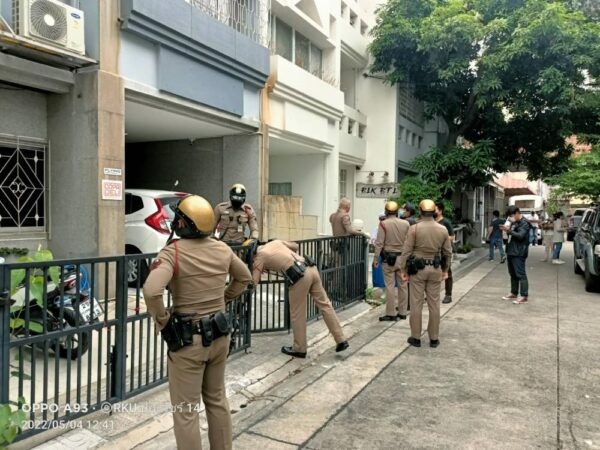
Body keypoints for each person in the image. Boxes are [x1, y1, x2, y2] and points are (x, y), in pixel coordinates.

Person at [143, 195, 252, 450]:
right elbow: (244, 277)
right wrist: (224, 298)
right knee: (217, 400)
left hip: (188, 342)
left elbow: (151, 291)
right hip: (220, 335)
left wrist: (163, 322)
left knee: (186, 411)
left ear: (182, 224)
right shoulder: (222, 249)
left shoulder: (173, 252)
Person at [252, 239, 349, 358]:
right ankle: (341, 339)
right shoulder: (275, 242)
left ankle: (299, 348)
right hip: (311, 268)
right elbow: (295, 246)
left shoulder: (260, 256)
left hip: (299, 275)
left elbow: (254, 282)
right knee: (325, 305)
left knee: (297, 313)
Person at [399, 199, 452, 348]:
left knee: (416, 303)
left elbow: (406, 251)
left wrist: (403, 269)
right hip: (435, 269)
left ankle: (416, 337)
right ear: (434, 211)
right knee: (434, 304)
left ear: (421, 211)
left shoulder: (414, 229)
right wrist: (445, 270)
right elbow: (447, 252)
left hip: (418, 270)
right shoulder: (443, 229)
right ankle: (434, 338)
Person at [373, 201, 410, 321]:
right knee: (403, 285)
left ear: (386, 212)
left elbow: (379, 243)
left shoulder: (383, 224)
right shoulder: (406, 223)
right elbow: (409, 241)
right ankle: (403, 312)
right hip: (402, 258)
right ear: (397, 212)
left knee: (389, 286)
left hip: (388, 259)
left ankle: (391, 313)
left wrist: (376, 258)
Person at [500, 205, 530, 304]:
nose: (511, 217)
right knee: (512, 273)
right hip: (511, 250)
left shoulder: (524, 223)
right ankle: (514, 292)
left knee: (520, 274)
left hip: (519, 252)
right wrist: (507, 229)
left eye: (512, 215)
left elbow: (520, 236)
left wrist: (508, 230)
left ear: (517, 213)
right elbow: (510, 234)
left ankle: (524, 295)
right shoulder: (514, 222)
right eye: (509, 216)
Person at [435, 201, 455, 304]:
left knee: (447, 272)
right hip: (434, 251)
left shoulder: (446, 222)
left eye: (435, 209)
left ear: (440, 211)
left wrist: (442, 238)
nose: (433, 211)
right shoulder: (432, 221)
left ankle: (448, 295)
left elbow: (452, 236)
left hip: (444, 251)